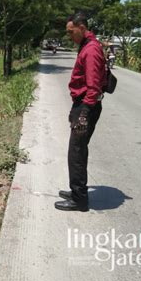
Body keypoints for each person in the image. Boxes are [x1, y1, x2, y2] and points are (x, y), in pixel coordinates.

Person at [54, 13, 107, 212]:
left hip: (87, 105)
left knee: (76, 152)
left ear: (82, 27)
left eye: (71, 31)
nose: (70, 35)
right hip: (83, 104)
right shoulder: (87, 45)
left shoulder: (91, 50)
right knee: (77, 150)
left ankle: (79, 199)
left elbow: (93, 87)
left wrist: (83, 112)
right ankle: (76, 191)